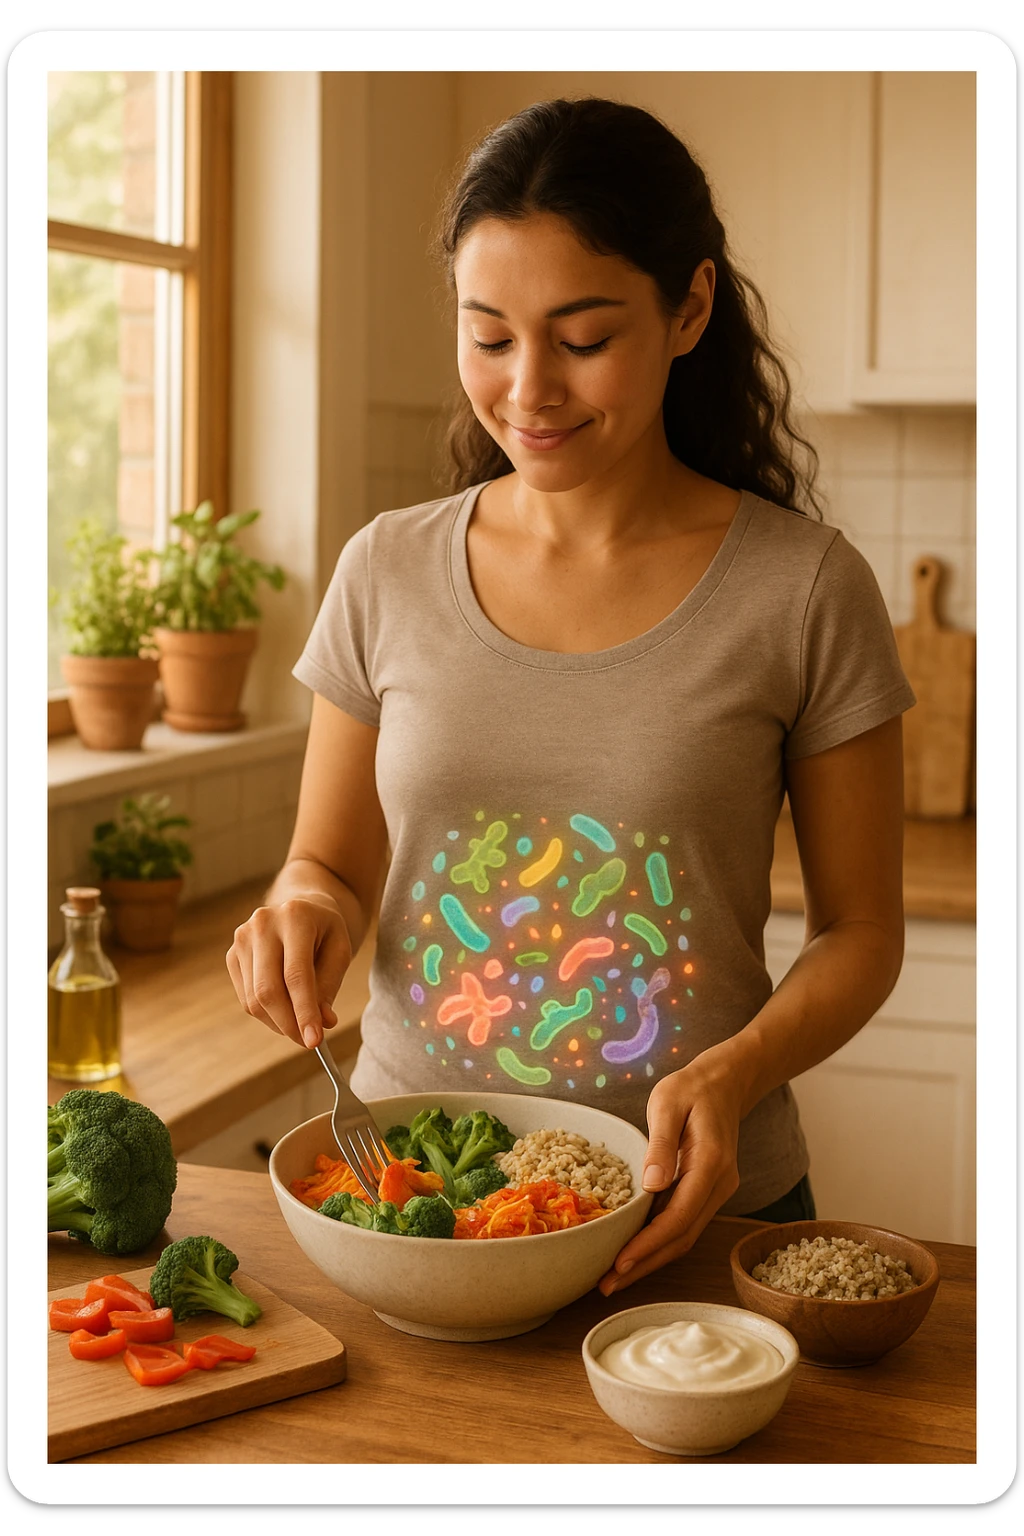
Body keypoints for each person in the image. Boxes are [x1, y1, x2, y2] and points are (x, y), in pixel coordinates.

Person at [226, 97, 913, 1296]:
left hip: (689, 1214)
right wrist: (298, 909)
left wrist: (734, 1072)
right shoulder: (384, 568)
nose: (527, 388)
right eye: (488, 337)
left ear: (688, 307)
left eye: (582, 338)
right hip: (413, 1207)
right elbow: (324, 862)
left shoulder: (803, 589)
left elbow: (862, 934)